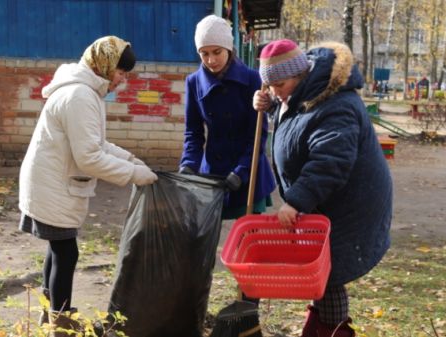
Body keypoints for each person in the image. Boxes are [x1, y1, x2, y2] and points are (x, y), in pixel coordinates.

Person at [18, 36, 157, 335]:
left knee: (59, 250)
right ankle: (61, 322)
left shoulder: (86, 90)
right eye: (121, 72)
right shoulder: (80, 96)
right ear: (105, 65)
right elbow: (89, 157)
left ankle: (50, 311)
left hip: (51, 180)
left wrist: (130, 158)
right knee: (67, 253)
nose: (122, 80)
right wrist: (133, 173)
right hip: (52, 184)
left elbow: (96, 143)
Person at [253, 39, 392, 337]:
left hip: (349, 204)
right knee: (323, 268)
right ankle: (321, 322)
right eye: (270, 86)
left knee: (331, 269)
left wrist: (296, 201)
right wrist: (268, 107)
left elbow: (330, 162)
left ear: (301, 74)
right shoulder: (302, 93)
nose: (276, 92)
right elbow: (295, 126)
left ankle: (330, 330)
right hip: (327, 202)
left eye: (280, 84)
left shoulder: (336, 105)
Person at [178, 14, 276, 335]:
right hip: (213, 177)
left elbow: (257, 136)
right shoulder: (194, 82)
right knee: (200, 244)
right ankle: (195, 312)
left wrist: (241, 171)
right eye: (204, 53)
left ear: (229, 50)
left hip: (248, 175)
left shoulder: (251, 80)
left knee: (252, 251)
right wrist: (188, 168)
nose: (210, 60)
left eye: (216, 52)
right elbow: (193, 133)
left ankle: (248, 319)